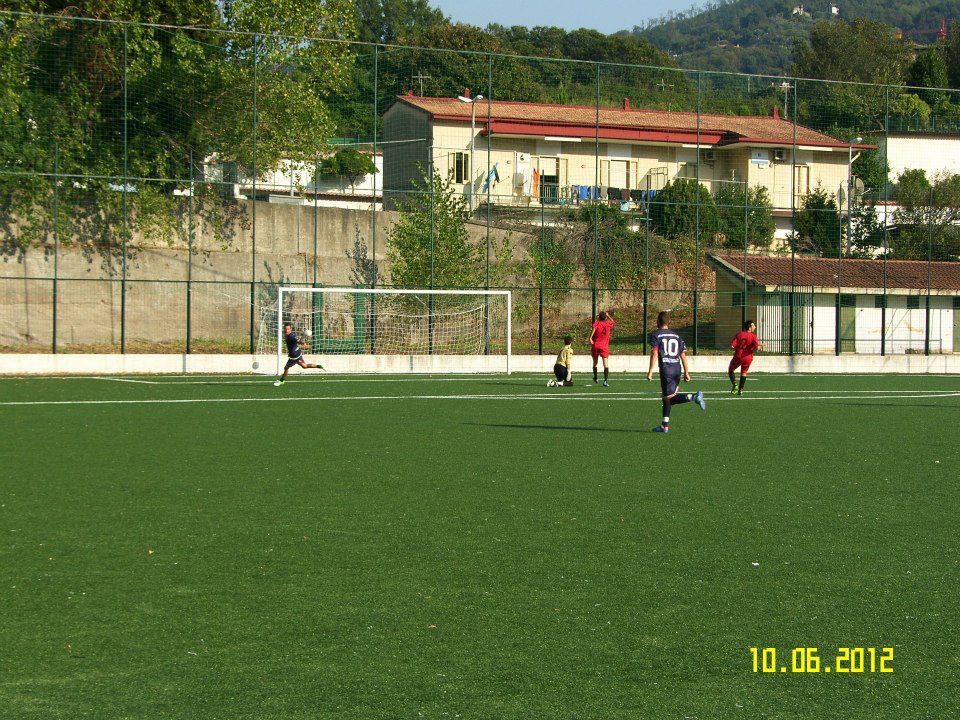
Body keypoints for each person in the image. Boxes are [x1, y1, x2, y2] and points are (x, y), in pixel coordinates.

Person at [646, 311, 705, 433]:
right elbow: (683, 355)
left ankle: (694, 397)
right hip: (677, 369)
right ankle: (664, 425)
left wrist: (650, 371)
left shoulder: (656, 335)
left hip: (666, 370)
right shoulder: (677, 336)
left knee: (669, 398)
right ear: (669, 322)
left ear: (658, 322)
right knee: (666, 398)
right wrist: (687, 372)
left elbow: (655, 353)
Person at [729, 320, 763, 396]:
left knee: (731, 370)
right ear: (750, 327)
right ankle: (740, 390)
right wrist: (760, 346)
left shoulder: (739, 334)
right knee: (744, 373)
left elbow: (732, 345)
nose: (755, 327)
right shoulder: (754, 336)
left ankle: (735, 385)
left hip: (738, 356)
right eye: (753, 325)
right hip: (747, 357)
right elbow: (757, 348)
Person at [589, 310, 616, 386]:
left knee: (595, 363)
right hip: (604, 346)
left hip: (596, 345)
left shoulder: (597, 323)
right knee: (605, 364)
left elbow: (594, 328)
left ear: (599, 317)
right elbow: (613, 321)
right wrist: (608, 315)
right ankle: (605, 381)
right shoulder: (608, 323)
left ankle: (596, 377)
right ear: (605, 317)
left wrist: (590, 338)